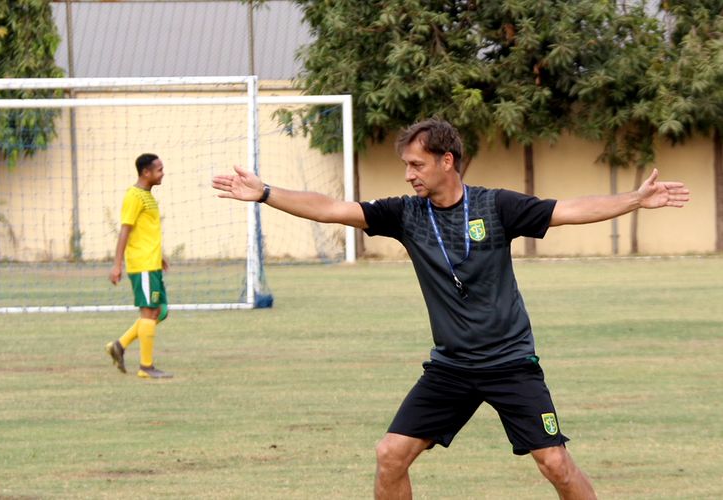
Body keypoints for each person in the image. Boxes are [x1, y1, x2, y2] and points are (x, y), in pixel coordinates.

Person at [211, 119, 689, 499]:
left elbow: (568, 209)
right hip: (451, 369)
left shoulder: (495, 206)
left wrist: (634, 200)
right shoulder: (405, 214)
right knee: (390, 455)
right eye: (406, 165)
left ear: (447, 160)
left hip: (510, 365)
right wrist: (268, 194)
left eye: (417, 164)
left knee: (556, 464)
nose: (408, 174)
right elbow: (333, 207)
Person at [105, 153, 173, 379]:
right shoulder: (134, 196)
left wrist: (159, 255)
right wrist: (117, 265)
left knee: (159, 311)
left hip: (151, 262)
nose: (163, 174)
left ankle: (120, 345)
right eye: (159, 170)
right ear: (146, 172)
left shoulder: (148, 196)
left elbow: (146, 231)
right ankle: (146, 367)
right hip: (141, 264)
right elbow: (125, 230)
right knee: (149, 312)